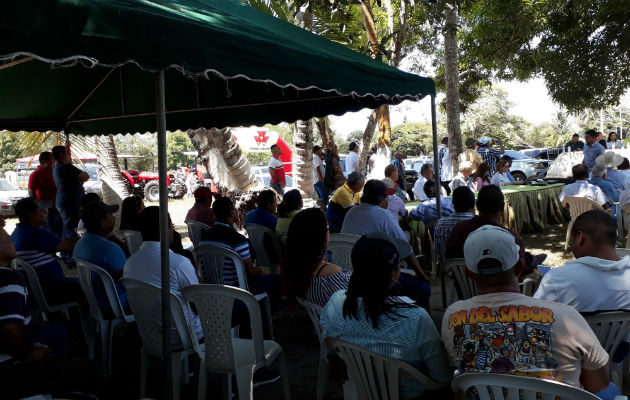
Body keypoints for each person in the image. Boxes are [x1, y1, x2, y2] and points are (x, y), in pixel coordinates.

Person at [441, 225, 614, 397]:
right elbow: (598, 385)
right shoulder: (567, 317)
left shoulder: (451, 316)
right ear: (519, 267)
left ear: (468, 273)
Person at [321, 233, 452, 399]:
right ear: (394, 273)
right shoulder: (415, 319)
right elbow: (442, 377)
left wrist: (333, 363)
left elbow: (328, 343)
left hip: (360, 394)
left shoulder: (337, 303)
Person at [0, 226, 94, 399]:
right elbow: (9, 331)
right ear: (32, 215)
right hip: (9, 370)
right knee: (89, 370)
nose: (12, 242)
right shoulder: (7, 278)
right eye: (7, 239)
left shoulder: (22, 233)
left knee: (56, 331)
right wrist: (29, 352)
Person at [341, 180, 430, 306]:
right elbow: (406, 249)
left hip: (350, 278)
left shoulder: (351, 212)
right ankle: (411, 321)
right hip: (376, 280)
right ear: (381, 200)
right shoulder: (383, 214)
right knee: (423, 287)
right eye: (387, 196)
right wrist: (423, 276)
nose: (388, 199)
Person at [123, 206, 203, 344]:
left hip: (149, 334)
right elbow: (199, 301)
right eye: (172, 226)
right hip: (183, 335)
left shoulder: (130, 263)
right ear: (166, 229)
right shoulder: (178, 263)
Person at [535, 210, 630, 312]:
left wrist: (541, 285)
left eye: (571, 239)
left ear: (580, 237)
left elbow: (534, 319)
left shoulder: (556, 279)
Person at [201, 197, 281, 306]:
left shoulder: (204, 238)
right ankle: (263, 317)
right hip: (237, 293)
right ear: (232, 213)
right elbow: (251, 274)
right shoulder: (237, 240)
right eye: (235, 208)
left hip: (211, 291)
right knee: (279, 280)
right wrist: (264, 270)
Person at [444, 185, 537, 276]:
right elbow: (521, 269)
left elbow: (450, 261)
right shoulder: (509, 237)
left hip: (463, 288)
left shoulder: (458, 229)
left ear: (477, 205)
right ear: (502, 207)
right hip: (501, 289)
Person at [11, 197, 84, 307]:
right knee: (91, 287)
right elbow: (70, 246)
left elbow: (63, 242)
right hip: (49, 290)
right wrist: (92, 237)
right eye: (41, 210)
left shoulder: (19, 231)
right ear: (31, 216)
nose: (46, 211)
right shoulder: (35, 233)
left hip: (38, 289)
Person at [283, 208, 350, 307]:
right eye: (327, 228)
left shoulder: (293, 269)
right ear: (320, 236)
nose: (329, 232)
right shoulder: (331, 278)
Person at [73, 201, 128, 312]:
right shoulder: (109, 248)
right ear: (102, 222)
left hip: (94, 302)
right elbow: (127, 280)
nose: (113, 217)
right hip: (117, 304)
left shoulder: (80, 243)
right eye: (110, 215)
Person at [51, 144, 89, 242]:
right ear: (61, 154)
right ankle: (69, 254)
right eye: (67, 153)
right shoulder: (66, 167)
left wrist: (78, 179)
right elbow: (85, 176)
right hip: (70, 202)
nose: (68, 155)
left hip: (64, 201)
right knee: (72, 229)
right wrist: (79, 179)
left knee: (68, 227)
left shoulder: (56, 168)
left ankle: (67, 253)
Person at [433, 187, 475, 261]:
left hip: (450, 269)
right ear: (473, 203)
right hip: (475, 268)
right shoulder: (479, 224)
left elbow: (437, 251)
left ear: (453, 203)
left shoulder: (440, 224)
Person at [28, 151, 62, 236]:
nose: (53, 161)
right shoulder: (35, 174)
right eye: (51, 160)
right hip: (45, 208)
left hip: (58, 206)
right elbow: (31, 191)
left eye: (53, 159)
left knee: (59, 230)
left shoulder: (55, 172)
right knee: (48, 231)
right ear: (43, 161)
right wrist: (36, 206)